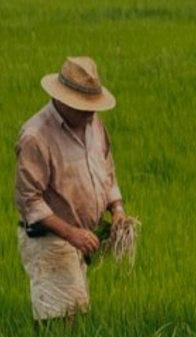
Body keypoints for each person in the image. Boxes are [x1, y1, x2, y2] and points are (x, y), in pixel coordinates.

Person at [14, 56, 127, 322]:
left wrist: (117, 210)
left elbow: (107, 170)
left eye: (92, 106)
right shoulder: (36, 136)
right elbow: (30, 201)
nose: (90, 113)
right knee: (62, 319)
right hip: (50, 239)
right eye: (83, 107)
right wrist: (71, 233)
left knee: (75, 312)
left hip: (81, 238)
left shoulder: (93, 124)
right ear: (63, 100)